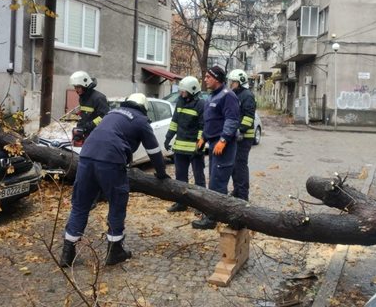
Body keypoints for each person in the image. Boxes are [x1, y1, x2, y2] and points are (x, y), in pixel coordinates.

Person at [59, 93, 170, 268]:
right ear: (144, 107)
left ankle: (67, 252)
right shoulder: (141, 120)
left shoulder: (112, 113)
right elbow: (154, 151)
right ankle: (115, 251)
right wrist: (162, 174)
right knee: (117, 202)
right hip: (111, 161)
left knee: (81, 205)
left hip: (86, 158)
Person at [192, 66, 240, 230]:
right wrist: (204, 137)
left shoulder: (228, 96)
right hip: (213, 143)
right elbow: (211, 121)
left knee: (217, 183)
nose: (205, 79)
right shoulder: (212, 96)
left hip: (223, 146)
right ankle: (216, 212)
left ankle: (212, 218)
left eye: (208, 77)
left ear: (217, 79)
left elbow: (232, 120)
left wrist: (224, 139)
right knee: (213, 179)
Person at [164, 76, 206, 212]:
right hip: (180, 148)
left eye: (184, 91)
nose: (181, 94)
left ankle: (202, 205)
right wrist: (168, 137)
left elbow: (202, 127)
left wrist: (199, 145)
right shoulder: (180, 102)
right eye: (181, 91)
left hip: (194, 149)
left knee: (199, 178)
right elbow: (175, 122)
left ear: (192, 91)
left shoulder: (201, 105)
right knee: (180, 177)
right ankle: (181, 203)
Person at [227, 69, 256, 202]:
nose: (230, 84)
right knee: (233, 165)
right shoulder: (235, 94)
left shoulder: (247, 95)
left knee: (240, 165)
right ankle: (237, 190)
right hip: (235, 136)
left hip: (244, 137)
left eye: (233, 82)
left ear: (240, 82)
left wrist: (241, 130)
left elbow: (249, 117)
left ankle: (243, 196)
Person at [69, 70, 109, 138]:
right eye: (75, 87)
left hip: (98, 134)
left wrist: (87, 127)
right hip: (87, 134)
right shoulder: (83, 98)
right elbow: (83, 116)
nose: (76, 90)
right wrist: (79, 129)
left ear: (85, 85)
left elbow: (104, 117)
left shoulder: (99, 98)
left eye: (78, 87)